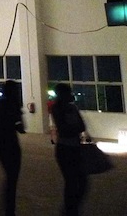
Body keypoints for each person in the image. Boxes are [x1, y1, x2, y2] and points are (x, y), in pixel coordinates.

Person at [52, 83, 88, 216]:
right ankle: (70, 210)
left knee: (82, 181)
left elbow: (81, 126)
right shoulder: (57, 108)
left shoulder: (72, 108)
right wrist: (74, 128)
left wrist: (72, 128)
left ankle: (71, 208)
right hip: (65, 149)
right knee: (72, 181)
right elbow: (64, 129)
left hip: (75, 148)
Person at [0, 80, 25, 216]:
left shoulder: (2, 104)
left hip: (1, 144)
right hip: (11, 144)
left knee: (10, 177)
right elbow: (21, 127)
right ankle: (9, 209)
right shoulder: (14, 105)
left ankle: (8, 207)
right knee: (12, 178)